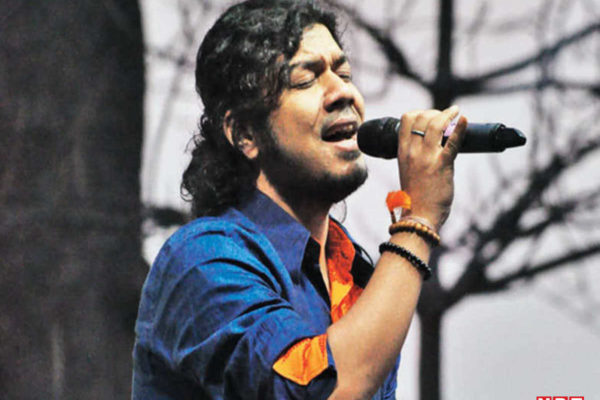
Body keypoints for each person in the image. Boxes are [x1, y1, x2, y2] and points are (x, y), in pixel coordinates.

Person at [132, 0, 467, 399]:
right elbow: (324, 390)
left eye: (344, 73)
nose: (342, 91)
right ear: (245, 134)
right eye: (306, 80)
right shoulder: (202, 261)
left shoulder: (352, 272)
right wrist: (418, 222)